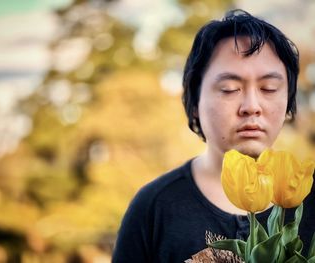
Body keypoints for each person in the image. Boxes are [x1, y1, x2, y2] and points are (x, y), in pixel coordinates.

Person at [112, 9, 315, 262]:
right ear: (195, 101)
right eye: (229, 89)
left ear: (288, 102)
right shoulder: (154, 207)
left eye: (269, 88)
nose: (251, 106)